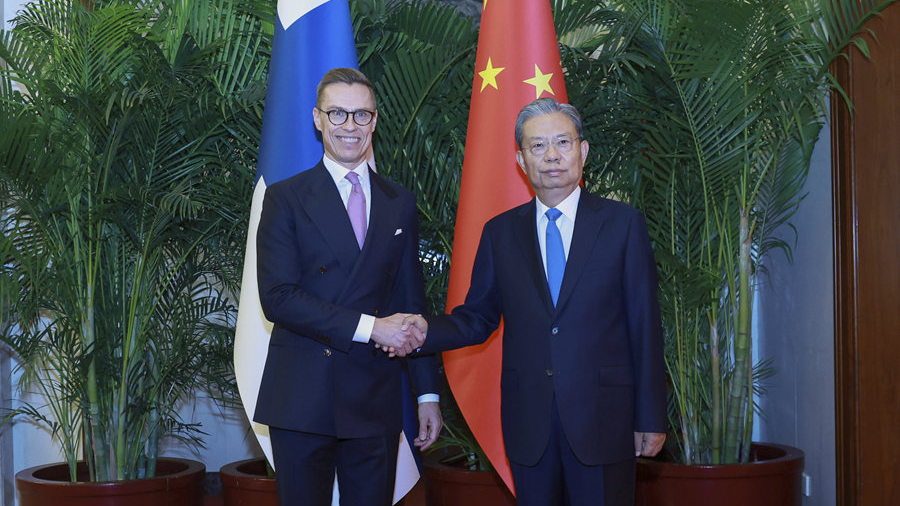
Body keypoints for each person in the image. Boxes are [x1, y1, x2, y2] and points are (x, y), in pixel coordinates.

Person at [398, 98, 667, 506]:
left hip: (605, 418)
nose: (552, 156)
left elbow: (645, 325)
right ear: (521, 160)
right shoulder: (500, 233)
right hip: (530, 421)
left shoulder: (622, 225)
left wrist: (650, 416)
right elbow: (477, 317)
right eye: (538, 146)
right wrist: (424, 331)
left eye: (563, 142)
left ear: (583, 150)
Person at [254, 67, 440, 506]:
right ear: (318, 119)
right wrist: (371, 327)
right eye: (338, 114)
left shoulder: (400, 202)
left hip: (373, 394)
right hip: (302, 394)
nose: (350, 127)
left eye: (361, 115)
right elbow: (277, 298)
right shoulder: (285, 198)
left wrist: (427, 392)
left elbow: (411, 300)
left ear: (374, 121)